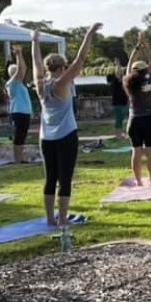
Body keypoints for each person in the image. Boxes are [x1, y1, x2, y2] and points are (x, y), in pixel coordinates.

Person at [32, 24, 101, 228]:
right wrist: (88, 34)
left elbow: (36, 63)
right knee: (65, 179)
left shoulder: (40, 84)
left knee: (50, 178)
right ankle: (62, 220)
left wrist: (34, 41)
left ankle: (50, 219)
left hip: (46, 138)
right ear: (62, 67)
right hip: (66, 136)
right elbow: (80, 59)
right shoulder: (61, 84)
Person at [123, 34, 151, 187]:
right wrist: (146, 47)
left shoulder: (128, 82)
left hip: (134, 121)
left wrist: (137, 47)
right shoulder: (149, 79)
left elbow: (129, 64)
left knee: (136, 152)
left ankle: (138, 181)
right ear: (145, 70)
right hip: (148, 120)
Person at [6, 45, 32, 164]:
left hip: (25, 113)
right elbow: (20, 71)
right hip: (18, 112)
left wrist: (20, 54)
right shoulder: (11, 83)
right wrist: (17, 55)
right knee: (19, 136)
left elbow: (24, 68)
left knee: (22, 136)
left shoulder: (20, 84)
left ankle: (21, 158)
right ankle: (17, 159)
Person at [106, 61, 129, 139]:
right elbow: (118, 73)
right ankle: (118, 135)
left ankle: (120, 134)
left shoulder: (122, 81)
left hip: (123, 102)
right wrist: (118, 65)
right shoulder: (115, 81)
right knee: (118, 119)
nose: (121, 74)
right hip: (117, 103)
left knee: (121, 119)